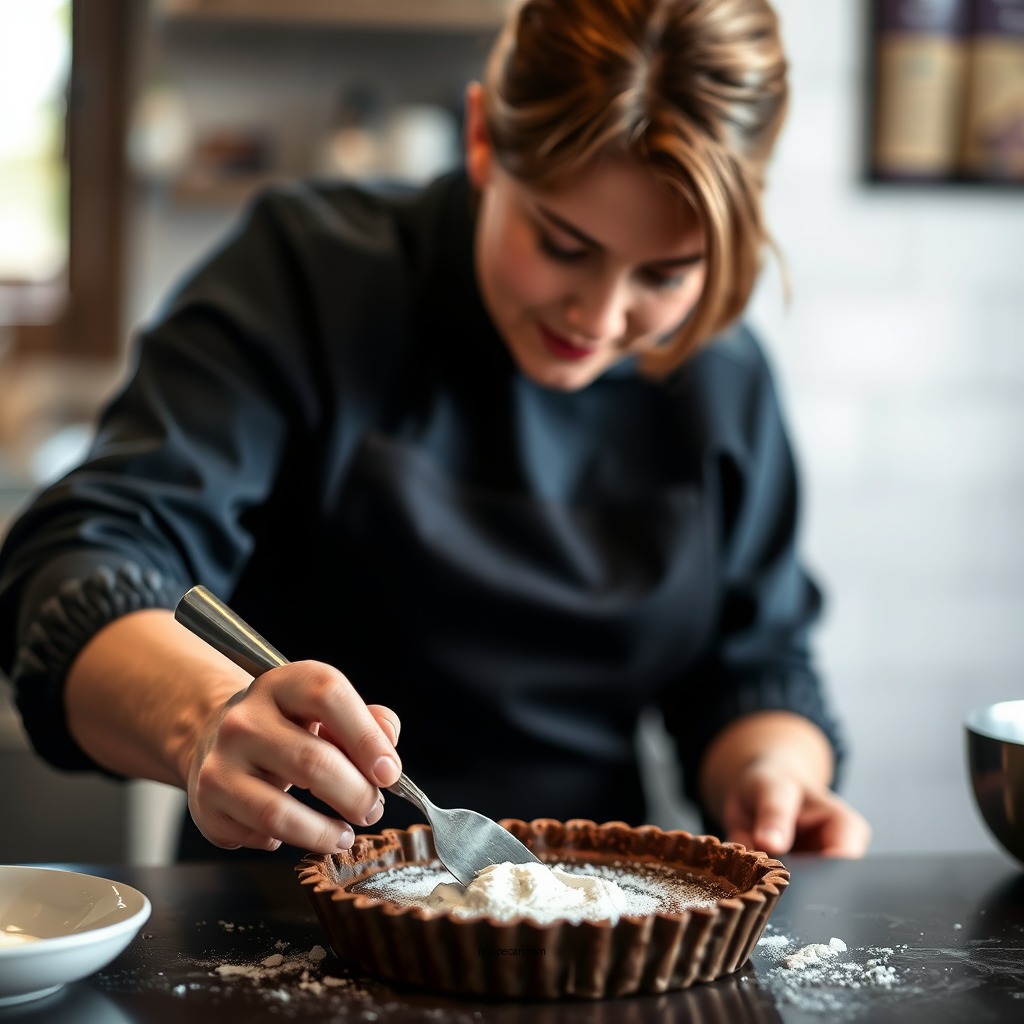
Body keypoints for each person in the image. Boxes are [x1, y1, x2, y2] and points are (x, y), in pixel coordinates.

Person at [0, 0, 870, 863]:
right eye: (563, 245)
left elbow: (754, 664)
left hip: (586, 927)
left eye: (666, 275)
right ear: (483, 136)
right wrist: (204, 719)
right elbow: (81, 566)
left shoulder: (720, 374)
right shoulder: (310, 277)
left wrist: (772, 771)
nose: (600, 317)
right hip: (282, 917)